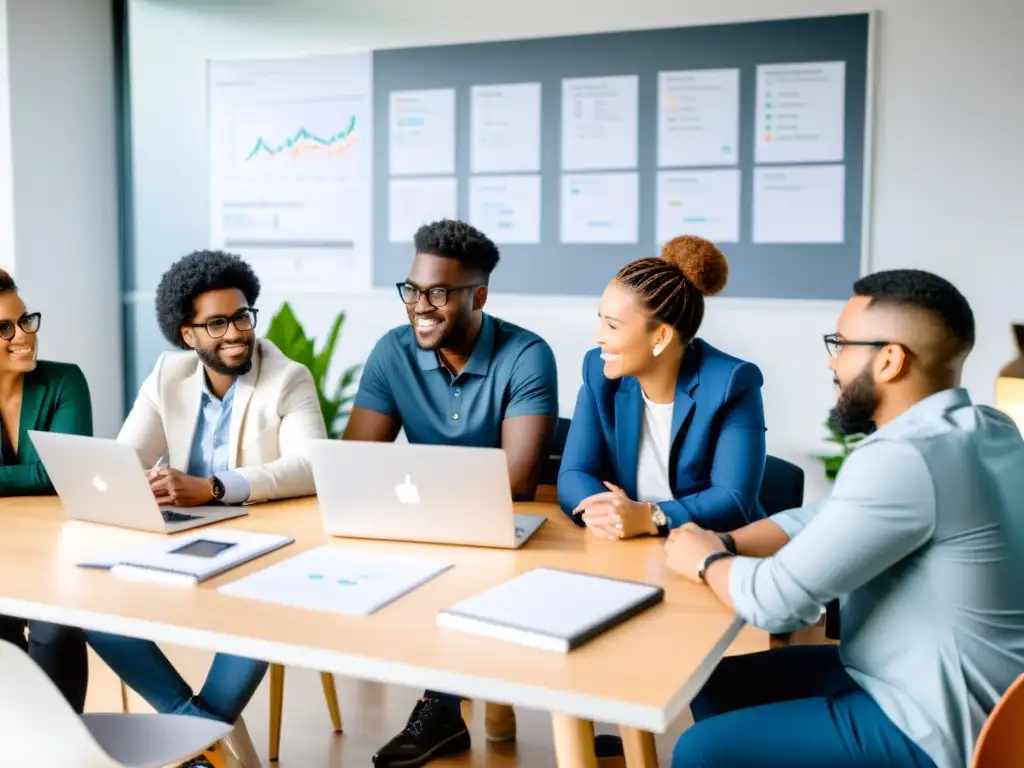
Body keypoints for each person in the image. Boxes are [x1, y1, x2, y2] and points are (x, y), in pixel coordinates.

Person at [664, 269, 1024, 768]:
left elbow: (775, 605)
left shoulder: (904, 457)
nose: (833, 361)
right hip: (963, 691)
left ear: (891, 359)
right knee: (714, 684)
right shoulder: (988, 428)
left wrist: (704, 561)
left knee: (700, 752)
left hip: (937, 723)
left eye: (842, 343)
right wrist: (724, 541)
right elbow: (829, 518)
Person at [86, 251, 326, 768]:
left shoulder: (287, 377)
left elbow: (311, 465)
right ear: (187, 334)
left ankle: (190, 745)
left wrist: (212, 487)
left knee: (266, 609)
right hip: (182, 538)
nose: (236, 332)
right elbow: (126, 458)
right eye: (216, 323)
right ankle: (202, 744)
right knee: (90, 603)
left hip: (264, 544)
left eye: (242, 316)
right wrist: (136, 483)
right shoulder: (167, 376)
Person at [344, 219, 559, 767]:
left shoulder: (527, 354)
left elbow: (516, 482)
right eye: (412, 290)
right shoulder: (393, 352)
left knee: (457, 566)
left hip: (509, 530)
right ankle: (446, 707)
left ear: (478, 295)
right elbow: (354, 465)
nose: (420, 305)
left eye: (438, 293)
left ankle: (439, 709)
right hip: (428, 523)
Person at [558, 235, 767, 542]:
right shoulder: (599, 371)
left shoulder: (731, 382)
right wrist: (602, 510)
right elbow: (573, 474)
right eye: (600, 321)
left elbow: (732, 500)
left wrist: (648, 516)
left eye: (612, 326)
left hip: (712, 546)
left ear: (660, 337)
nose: (598, 337)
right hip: (631, 544)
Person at [0, 268, 92, 713]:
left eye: (26, 320)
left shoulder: (65, 381)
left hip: (58, 548)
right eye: (4, 328)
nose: (24, 335)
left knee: (57, 627)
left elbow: (63, 474)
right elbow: (40, 472)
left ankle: (64, 746)